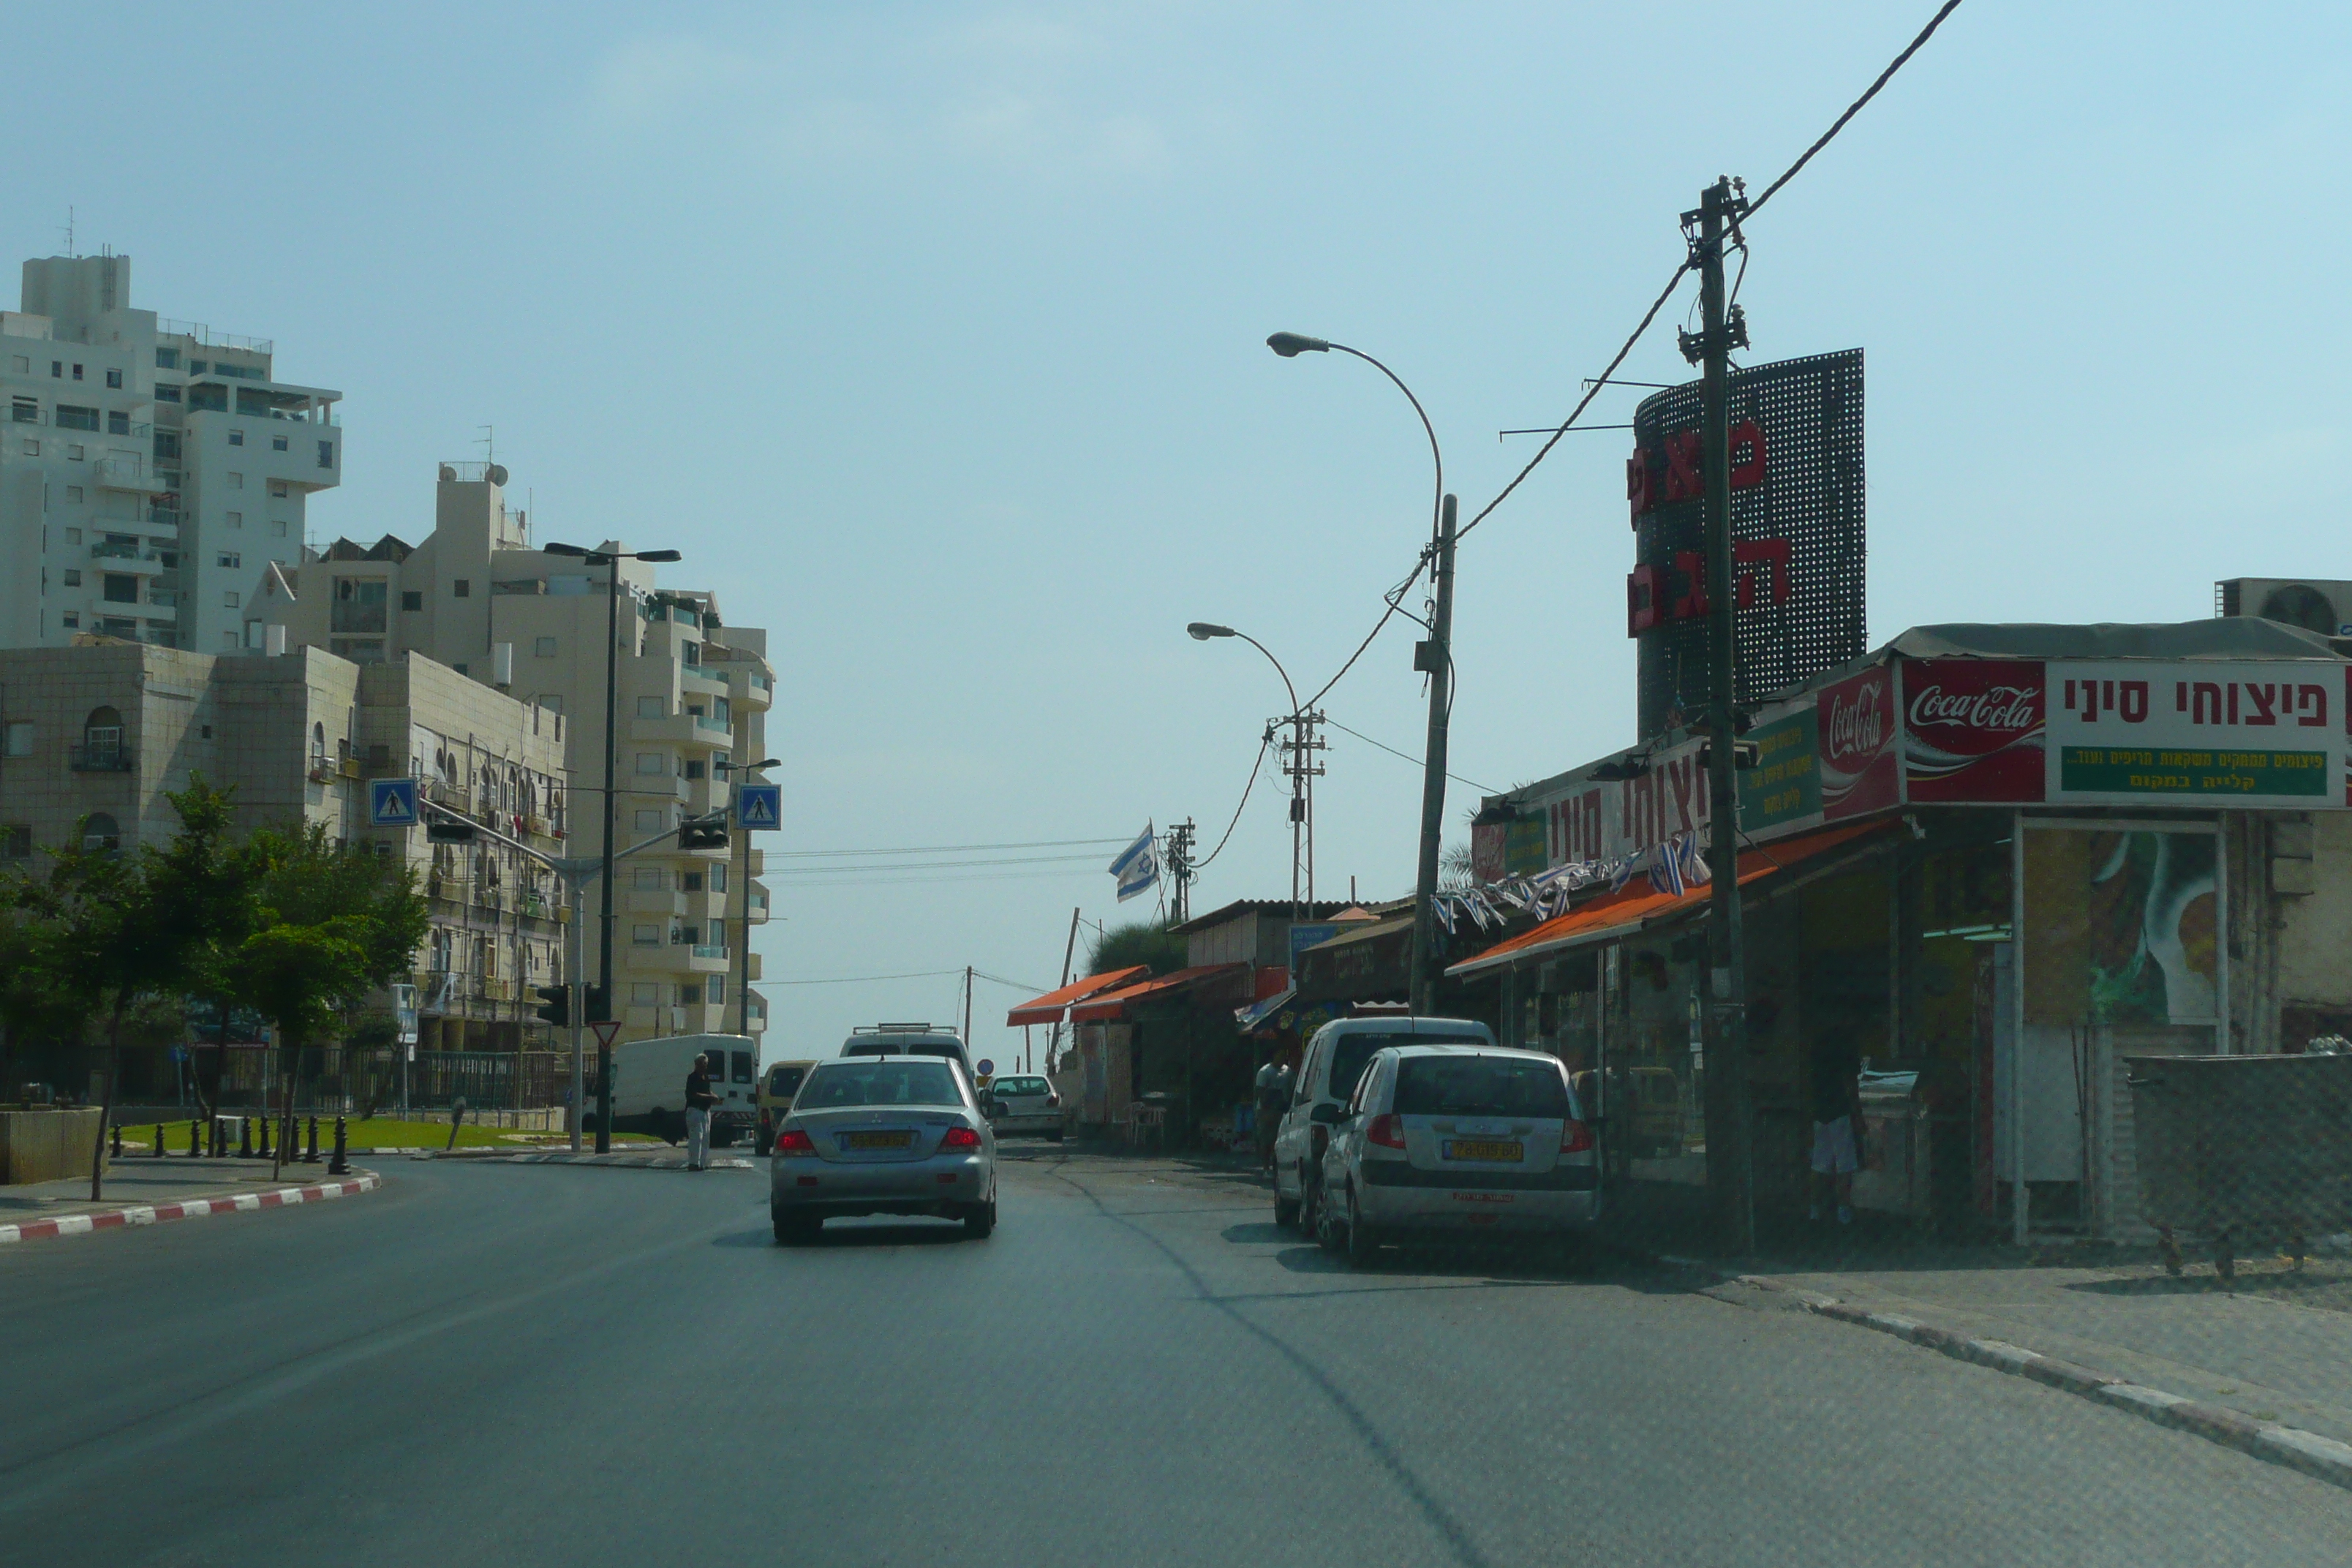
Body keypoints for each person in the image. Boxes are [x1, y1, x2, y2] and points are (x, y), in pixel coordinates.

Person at [1808, 1028, 1865, 1224]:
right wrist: (1857, 1114)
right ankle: (1844, 1212)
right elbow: (1851, 1086)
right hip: (1840, 1113)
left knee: (1819, 1164)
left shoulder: (1818, 1051)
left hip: (1820, 1113)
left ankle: (1814, 1210)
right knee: (1845, 1165)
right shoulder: (1847, 1051)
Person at [684, 1052, 721, 1171]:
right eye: (701, 1064)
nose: (704, 1066)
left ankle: (701, 1163)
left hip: (705, 1111)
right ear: (696, 1064)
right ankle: (693, 1163)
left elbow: (708, 1091)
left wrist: (714, 1097)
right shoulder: (692, 1078)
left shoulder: (706, 1078)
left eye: (705, 1064)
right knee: (696, 1137)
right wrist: (709, 1098)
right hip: (695, 1110)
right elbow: (692, 1094)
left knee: (705, 1138)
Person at [1253, 1058, 1292, 1173]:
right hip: (1266, 1111)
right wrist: (1265, 1110)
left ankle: (1277, 1166)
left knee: (1279, 1139)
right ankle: (1266, 1166)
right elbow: (1259, 1090)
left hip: (1281, 1110)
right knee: (1266, 1139)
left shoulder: (1287, 1071)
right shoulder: (1265, 1071)